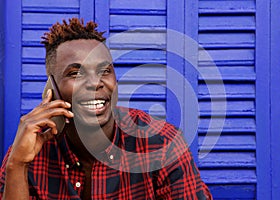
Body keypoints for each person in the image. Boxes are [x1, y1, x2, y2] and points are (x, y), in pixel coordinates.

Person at [0, 18, 212, 199]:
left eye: (104, 71)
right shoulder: (27, 153)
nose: (95, 83)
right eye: (75, 73)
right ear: (52, 89)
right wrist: (17, 165)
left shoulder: (163, 144)